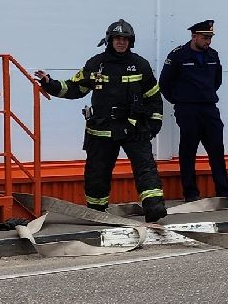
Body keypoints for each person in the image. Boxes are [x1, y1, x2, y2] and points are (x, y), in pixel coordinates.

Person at [36, 19, 168, 222]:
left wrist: (154, 123)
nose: (121, 42)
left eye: (125, 39)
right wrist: (49, 84)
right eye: (117, 38)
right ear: (109, 40)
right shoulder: (96, 64)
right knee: (97, 172)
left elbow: (153, 96)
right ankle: (97, 212)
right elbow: (75, 88)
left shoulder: (140, 65)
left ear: (131, 42)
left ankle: (154, 207)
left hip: (134, 127)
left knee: (146, 168)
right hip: (102, 129)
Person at [161, 19, 228, 202]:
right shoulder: (178, 55)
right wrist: (179, 101)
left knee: (216, 149)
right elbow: (165, 83)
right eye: (205, 37)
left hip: (209, 108)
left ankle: (223, 191)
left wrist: (205, 95)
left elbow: (216, 81)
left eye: (210, 38)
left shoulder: (213, 55)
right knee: (188, 151)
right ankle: (191, 193)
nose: (208, 41)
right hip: (187, 109)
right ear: (194, 36)